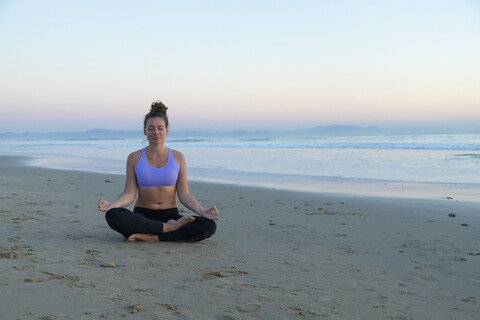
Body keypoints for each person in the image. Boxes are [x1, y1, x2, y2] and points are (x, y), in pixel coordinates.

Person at [98, 100, 218, 242]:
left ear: (167, 130)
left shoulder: (178, 157)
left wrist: (203, 212)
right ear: (145, 130)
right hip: (143, 216)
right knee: (113, 215)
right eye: (151, 128)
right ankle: (165, 230)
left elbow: (184, 194)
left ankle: (151, 236)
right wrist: (113, 205)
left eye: (160, 128)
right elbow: (129, 193)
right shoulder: (134, 158)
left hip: (171, 215)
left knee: (208, 225)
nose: (156, 132)